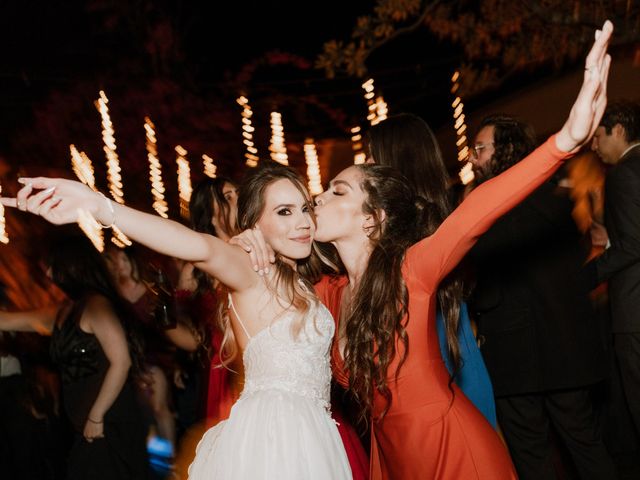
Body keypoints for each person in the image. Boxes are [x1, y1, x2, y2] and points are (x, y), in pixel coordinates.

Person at [235, 20, 613, 479]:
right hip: (391, 459)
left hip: (451, 450)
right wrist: (249, 242)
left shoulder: (411, 270)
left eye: (336, 192)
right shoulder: (326, 294)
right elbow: (258, 290)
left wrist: (564, 143)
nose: (318, 199)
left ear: (371, 218)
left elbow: (476, 215)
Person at [3, 163, 352, 479]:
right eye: (284, 212)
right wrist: (100, 207)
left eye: (305, 208)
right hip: (275, 435)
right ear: (255, 223)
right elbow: (197, 246)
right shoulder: (250, 269)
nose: (302, 221)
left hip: (316, 429)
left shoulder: (306, 283)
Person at [465, 114, 615, 479]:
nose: (472, 158)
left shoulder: (490, 207)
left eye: (480, 148)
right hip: (567, 347)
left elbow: (485, 289)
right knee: (586, 445)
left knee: (532, 455)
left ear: (504, 151)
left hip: (515, 355)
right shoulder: (557, 198)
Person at [365, 112, 497, 428]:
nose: (366, 163)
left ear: (393, 161)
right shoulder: (422, 221)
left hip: (450, 370)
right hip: (437, 373)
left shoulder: (424, 231)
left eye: (372, 157)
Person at [0, 235, 148, 480]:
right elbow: (6, 321)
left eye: (52, 266)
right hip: (84, 428)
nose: (48, 273)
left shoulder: (96, 306)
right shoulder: (64, 311)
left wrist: (96, 415)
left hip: (107, 424)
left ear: (71, 266)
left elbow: (121, 362)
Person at [586, 100, 640, 438]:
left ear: (618, 131)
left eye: (599, 136)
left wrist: (584, 277)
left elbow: (633, 245)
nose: (594, 146)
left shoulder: (622, 173)